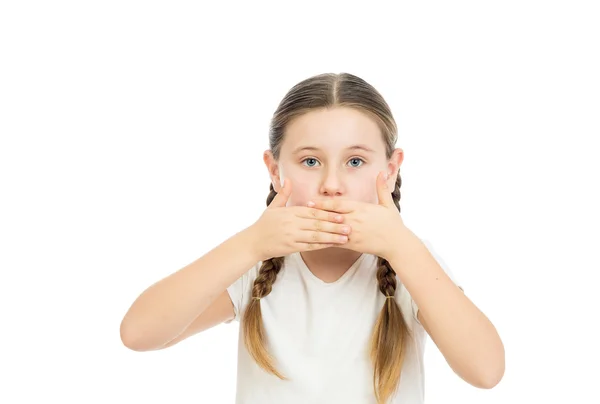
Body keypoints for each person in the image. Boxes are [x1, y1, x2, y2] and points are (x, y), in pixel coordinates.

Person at [119, 72, 505, 404]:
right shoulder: (254, 263)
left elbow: (486, 371)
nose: (332, 185)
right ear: (274, 170)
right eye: (310, 161)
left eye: (355, 162)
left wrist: (402, 246)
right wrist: (251, 244)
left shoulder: (410, 262)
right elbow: (139, 334)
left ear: (390, 170)